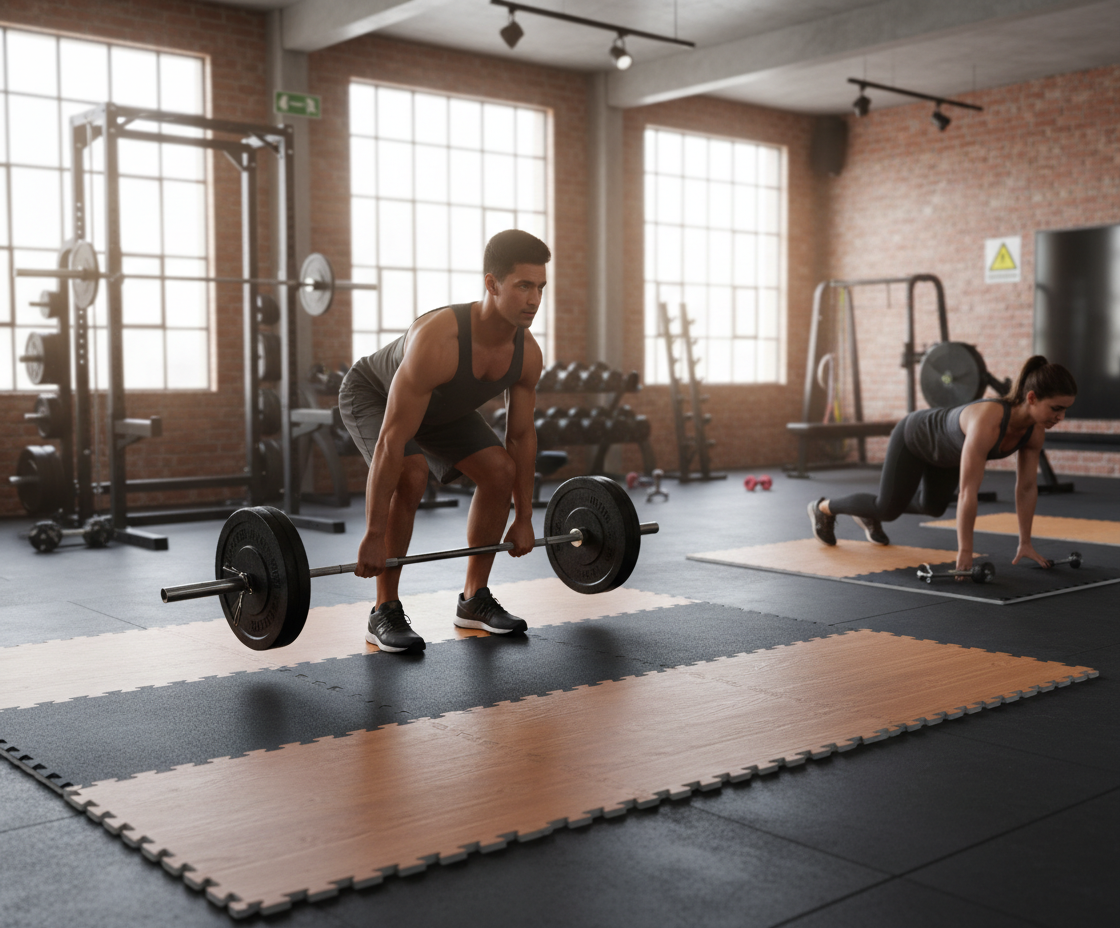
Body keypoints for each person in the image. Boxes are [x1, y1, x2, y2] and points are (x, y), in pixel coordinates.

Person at [337, 229, 547, 652]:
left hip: (441, 410)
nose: (534, 300)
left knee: (499, 470)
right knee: (411, 473)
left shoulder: (527, 355)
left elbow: (521, 438)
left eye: (540, 287)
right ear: (492, 284)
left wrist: (524, 516)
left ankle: (473, 600)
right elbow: (391, 441)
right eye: (523, 286)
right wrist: (374, 533)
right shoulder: (440, 340)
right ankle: (383, 610)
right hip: (374, 396)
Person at [807, 356, 1077, 575]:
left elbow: (1027, 488)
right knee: (886, 508)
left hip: (946, 455)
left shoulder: (1035, 431)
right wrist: (965, 551)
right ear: (1031, 398)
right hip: (915, 437)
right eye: (1056, 408)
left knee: (933, 508)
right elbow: (968, 491)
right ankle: (822, 507)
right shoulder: (988, 421)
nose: (1061, 417)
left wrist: (1025, 542)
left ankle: (869, 512)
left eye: (1065, 410)